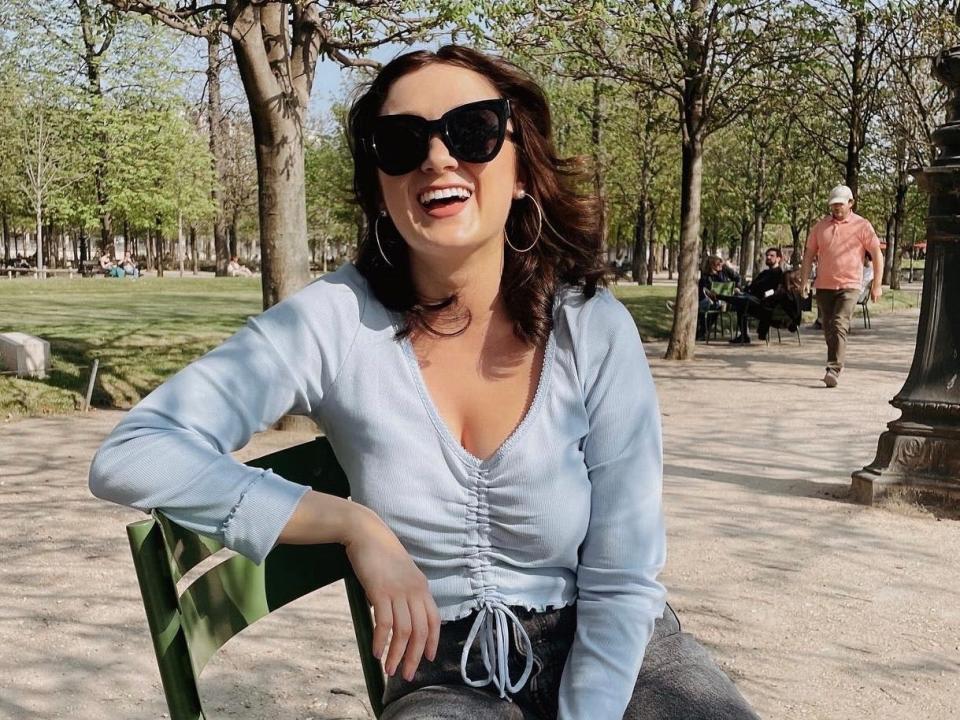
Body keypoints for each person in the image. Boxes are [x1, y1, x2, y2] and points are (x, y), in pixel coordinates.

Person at [89, 46, 757, 719]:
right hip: (445, 676)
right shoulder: (331, 323)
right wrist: (351, 524)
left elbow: (621, 575)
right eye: (402, 142)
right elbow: (134, 453)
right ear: (379, 186)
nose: (437, 158)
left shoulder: (590, 327)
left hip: (627, 653)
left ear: (523, 169)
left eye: (473, 131)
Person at [799, 184, 883, 387]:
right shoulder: (821, 226)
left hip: (850, 284)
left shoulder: (862, 226)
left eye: (840, 205)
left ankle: (834, 369)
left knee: (839, 324)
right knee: (828, 327)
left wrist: (877, 285)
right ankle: (833, 363)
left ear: (851, 203)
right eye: (833, 205)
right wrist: (804, 281)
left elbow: (877, 254)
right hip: (825, 285)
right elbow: (809, 254)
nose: (836, 208)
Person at [726, 247, 785, 344]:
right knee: (740, 301)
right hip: (752, 300)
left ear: (778, 258)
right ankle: (744, 335)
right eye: (767, 255)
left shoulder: (780, 274)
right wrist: (742, 290)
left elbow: (776, 291)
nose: (768, 257)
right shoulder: (764, 273)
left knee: (740, 303)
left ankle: (719, 297)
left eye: (772, 256)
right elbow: (753, 285)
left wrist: (764, 295)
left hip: (764, 305)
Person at [696, 254, 740, 340]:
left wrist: (736, 287)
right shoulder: (705, 277)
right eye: (718, 264)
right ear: (711, 265)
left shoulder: (724, 272)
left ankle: (702, 331)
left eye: (721, 263)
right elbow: (704, 291)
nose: (720, 265)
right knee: (711, 304)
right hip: (711, 300)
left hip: (725, 300)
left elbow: (737, 278)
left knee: (713, 305)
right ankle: (702, 331)